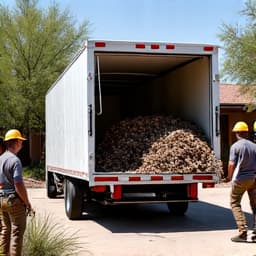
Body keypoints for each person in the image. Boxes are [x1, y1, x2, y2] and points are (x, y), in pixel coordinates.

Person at [0, 129, 32, 255]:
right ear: (17, 142)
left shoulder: (1, 158)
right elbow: (18, 184)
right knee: (17, 232)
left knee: (5, 230)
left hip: (1, 199)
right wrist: (27, 202)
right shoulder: (15, 160)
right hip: (13, 200)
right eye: (21, 142)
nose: (22, 145)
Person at [224, 121, 256, 242]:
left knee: (235, 203)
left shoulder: (236, 146)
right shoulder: (254, 146)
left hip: (240, 179)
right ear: (247, 133)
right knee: (255, 204)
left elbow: (231, 164)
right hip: (253, 179)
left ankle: (242, 232)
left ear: (237, 133)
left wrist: (228, 177)